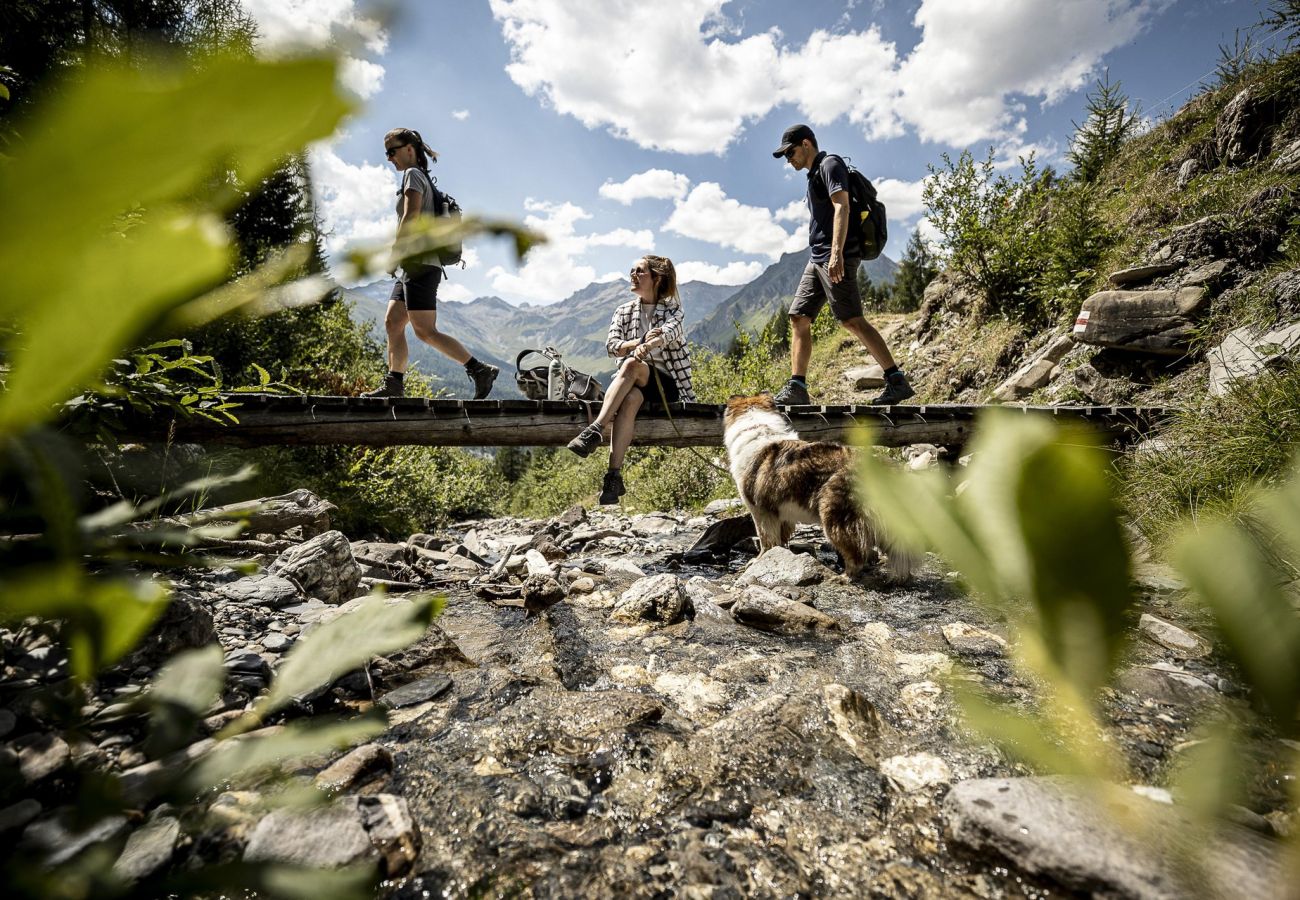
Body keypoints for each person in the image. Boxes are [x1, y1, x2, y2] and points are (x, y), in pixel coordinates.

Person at [771, 124, 914, 406]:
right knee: (799, 317)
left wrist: (836, 253)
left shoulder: (830, 164)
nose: (789, 159)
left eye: (790, 152)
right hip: (818, 258)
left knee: (851, 320)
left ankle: (896, 380)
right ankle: (797, 387)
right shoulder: (813, 175)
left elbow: (843, 207)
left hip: (836, 256)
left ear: (806, 144)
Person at [363, 127, 498, 399]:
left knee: (425, 331)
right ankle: (394, 383)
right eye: (386, 153)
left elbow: (410, 217)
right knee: (393, 322)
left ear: (409, 149)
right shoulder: (419, 177)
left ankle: (479, 369)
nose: (389, 158)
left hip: (422, 265)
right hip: (413, 266)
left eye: (392, 151)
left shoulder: (412, 175)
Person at [566, 255, 695, 505]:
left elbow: (669, 333)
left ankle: (595, 429)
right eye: (632, 271)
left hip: (666, 385)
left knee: (632, 365)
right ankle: (613, 477)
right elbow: (612, 346)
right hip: (634, 384)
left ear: (656, 279)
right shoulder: (624, 311)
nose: (633, 276)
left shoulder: (673, 310)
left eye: (640, 272)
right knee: (631, 398)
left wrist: (649, 345)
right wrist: (638, 342)